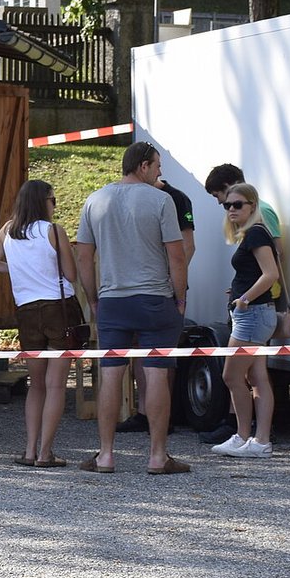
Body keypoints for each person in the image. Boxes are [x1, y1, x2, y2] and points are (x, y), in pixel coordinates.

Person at [74, 141, 189, 474]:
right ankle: (157, 456)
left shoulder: (95, 200)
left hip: (113, 300)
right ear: (143, 166)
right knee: (156, 374)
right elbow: (177, 255)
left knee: (111, 375)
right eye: (157, 166)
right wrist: (180, 297)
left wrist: (93, 298)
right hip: (154, 299)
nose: (160, 172)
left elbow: (84, 256)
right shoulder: (161, 200)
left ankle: (106, 455)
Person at [0, 180, 78, 467]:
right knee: (55, 385)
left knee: (36, 385)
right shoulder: (53, 231)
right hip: (58, 309)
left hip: (26, 310)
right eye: (53, 200)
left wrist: (18, 269)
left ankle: (29, 450)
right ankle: (46, 453)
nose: (54, 205)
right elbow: (71, 274)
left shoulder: (8, 230)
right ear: (43, 202)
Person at [199, 162, 280, 444]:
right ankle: (257, 440)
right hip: (254, 312)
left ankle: (245, 435)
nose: (230, 209)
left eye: (237, 205)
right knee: (256, 378)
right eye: (227, 205)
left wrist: (244, 298)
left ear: (251, 205)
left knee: (232, 376)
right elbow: (258, 272)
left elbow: (271, 273)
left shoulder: (256, 231)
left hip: (253, 314)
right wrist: (239, 292)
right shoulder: (249, 232)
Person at [116, 172, 198, 434]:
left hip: (166, 287)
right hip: (136, 287)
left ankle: (165, 416)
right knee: (139, 349)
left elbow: (188, 247)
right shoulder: (130, 198)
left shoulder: (176, 198)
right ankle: (144, 412)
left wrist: (172, 281)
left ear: (147, 168)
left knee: (163, 353)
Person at [204, 163, 279, 235]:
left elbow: (275, 244)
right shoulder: (243, 213)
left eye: (217, 195)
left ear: (227, 187)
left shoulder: (262, 211)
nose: (219, 202)